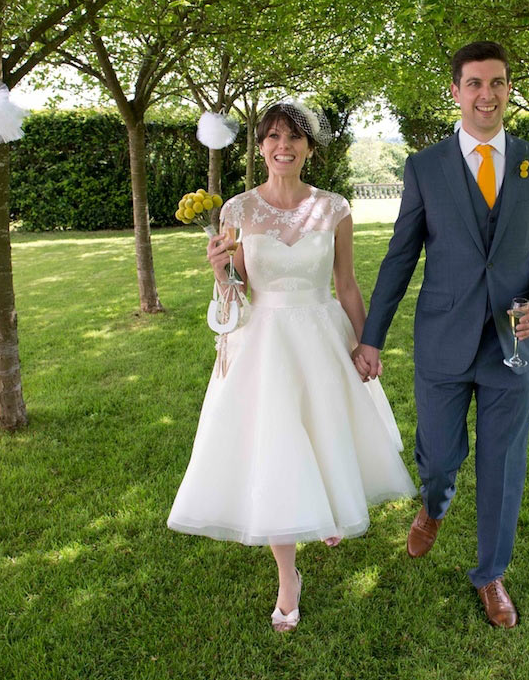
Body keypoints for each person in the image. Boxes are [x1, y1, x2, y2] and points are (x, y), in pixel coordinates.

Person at [167, 101, 415, 633]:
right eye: (274, 137)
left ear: (309, 148)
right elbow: (237, 292)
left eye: (294, 137)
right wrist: (220, 270)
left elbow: (346, 283)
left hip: (323, 338)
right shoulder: (236, 210)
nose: (284, 146)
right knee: (276, 451)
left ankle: (324, 511)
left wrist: (368, 344)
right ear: (261, 147)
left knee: (325, 436)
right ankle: (287, 577)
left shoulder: (334, 208)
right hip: (265, 345)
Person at [353, 41, 529, 628]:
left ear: (508, 90)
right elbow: (400, 256)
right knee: (441, 457)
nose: (486, 95)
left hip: (511, 346)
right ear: (456, 91)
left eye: (497, 83)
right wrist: (372, 337)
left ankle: (491, 574)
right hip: (443, 339)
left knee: (503, 463)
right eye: (474, 83)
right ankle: (433, 505)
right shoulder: (425, 167)